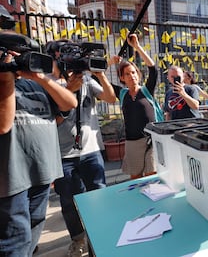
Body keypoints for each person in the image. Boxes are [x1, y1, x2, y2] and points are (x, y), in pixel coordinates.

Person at [0, 32, 78, 257]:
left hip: (41, 175)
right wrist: (6, 74)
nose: (20, 58)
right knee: (14, 243)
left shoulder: (36, 83)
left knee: (31, 237)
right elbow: (4, 125)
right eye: (14, 54)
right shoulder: (3, 83)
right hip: (12, 181)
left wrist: (39, 77)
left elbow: (69, 103)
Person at [45, 39, 117, 256]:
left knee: (98, 196)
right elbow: (51, 121)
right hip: (63, 154)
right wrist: (68, 90)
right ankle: (78, 239)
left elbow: (111, 98)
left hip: (91, 151)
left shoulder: (87, 80)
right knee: (68, 202)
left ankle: (100, 238)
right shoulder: (47, 83)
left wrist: (100, 74)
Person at [111, 34, 158, 180]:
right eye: (127, 74)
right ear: (122, 78)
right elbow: (96, 80)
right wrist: (109, 62)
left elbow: (153, 70)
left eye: (133, 72)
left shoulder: (146, 90)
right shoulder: (122, 93)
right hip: (132, 142)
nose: (132, 76)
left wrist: (137, 47)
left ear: (138, 74)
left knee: (152, 176)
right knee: (136, 178)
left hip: (151, 140)